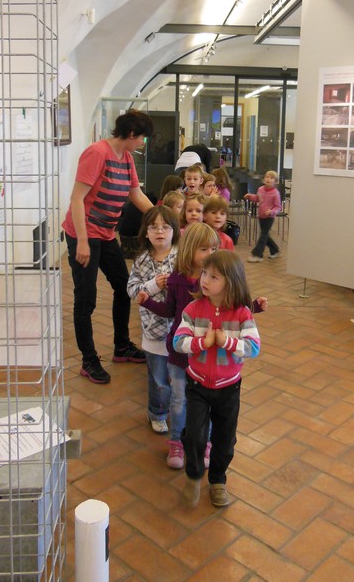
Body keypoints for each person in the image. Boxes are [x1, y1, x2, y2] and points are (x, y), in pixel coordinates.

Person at [63, 109, 154, 384]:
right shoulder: (97, 153)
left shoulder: (126, 158)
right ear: (131, 133)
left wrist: (163, 218)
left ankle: (122, 346)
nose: (143, 142)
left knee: (124, 287)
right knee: (86, 298)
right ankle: (88, 360)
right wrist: (82, 241)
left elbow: (136, 194)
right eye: (142, 138)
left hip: (105, 234)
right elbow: (77, 199)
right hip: (83, 234)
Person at [174, 250, 261, 507]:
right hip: (197, 384)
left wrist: (227, 342)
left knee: (224, 439)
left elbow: (253, 347)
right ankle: (193, 475)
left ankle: (218, 480)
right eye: (204, 273)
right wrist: (203, 342)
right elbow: (178, 342)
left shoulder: (242, 314)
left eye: (214, 277)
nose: (205, 280)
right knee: (194, 436)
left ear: (231, 282)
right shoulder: (193, 309)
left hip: (229, 388)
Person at [136, 222, 219, 468]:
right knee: (179, 399)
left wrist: (253, 306)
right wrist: (147, 302)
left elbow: (232, 306)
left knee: (207, 401)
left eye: (214, 249)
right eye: (204, 249)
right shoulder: (177, 280)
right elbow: (170, 311)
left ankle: (204, 443)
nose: (210, 254)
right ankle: (176, 443)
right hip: (181, 351)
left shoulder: (216, 281)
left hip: (206, 352)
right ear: (190, 250)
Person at [127, 205, 180, 434]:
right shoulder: (141, 261)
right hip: (153, 333)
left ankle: (179, 412)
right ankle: (157, 413)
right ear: (146, 232)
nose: (160, 231)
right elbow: (132, 289)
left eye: (165, 227)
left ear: (174, 231)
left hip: (180, 331)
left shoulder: (182, 257)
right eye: (154, 227)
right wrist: (152, 286)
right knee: (159, 379)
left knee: (178, 378)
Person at [244, 170, 282, 262]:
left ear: (275, 181)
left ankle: (258, 255)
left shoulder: (275, 193)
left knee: (263, 235)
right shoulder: (260, 189)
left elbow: (278, 207)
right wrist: (250, 196)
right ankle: (275, 250)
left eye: (271, 178)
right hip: (261, 216)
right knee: (265, 235)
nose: (268, 179)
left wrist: (271, 212)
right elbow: (257, 198)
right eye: (267, 177)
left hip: (269, 217)